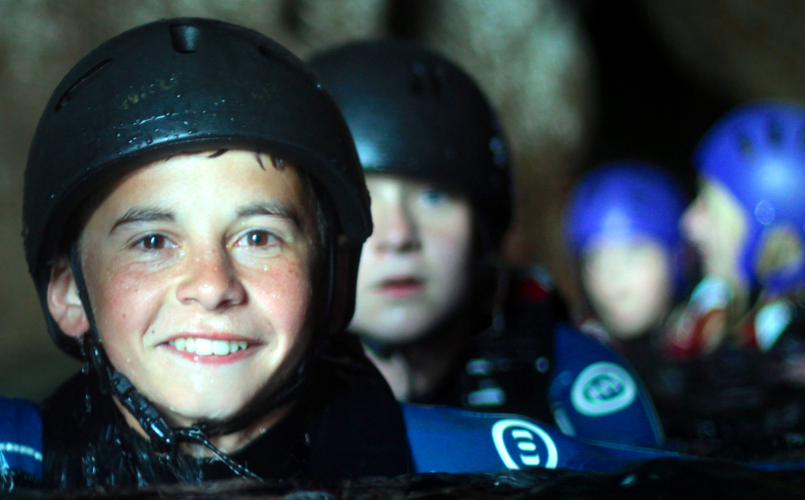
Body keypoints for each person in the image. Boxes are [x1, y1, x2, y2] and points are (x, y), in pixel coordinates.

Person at [0, 1, 722, 495]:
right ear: (68, 295)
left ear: (329, 282)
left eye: (258, 234)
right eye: (154, 239)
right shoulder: (19, 459)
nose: (211, 285)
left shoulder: (451, 457)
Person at [309, 40, 664, 449]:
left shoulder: (565, 369)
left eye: (434, 197)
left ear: (483, 227)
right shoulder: (264, 376)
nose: (399, 236)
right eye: (361, 201)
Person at [657, 102, 805, 451]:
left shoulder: (790, 358)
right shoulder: (710, 308)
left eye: (708, 206)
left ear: (770, 238)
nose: (689, 223)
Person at [564, 162, 692, 342]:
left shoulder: (713, 349)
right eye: (595, 260)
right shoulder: (578, 349)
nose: (613, 282)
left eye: (632, 255)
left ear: (677, 258)